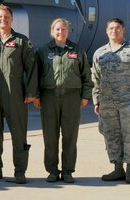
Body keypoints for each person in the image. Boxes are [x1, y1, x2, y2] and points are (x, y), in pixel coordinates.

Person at [0, 5, 38, 184]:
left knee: (18, 132)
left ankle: (20, 171)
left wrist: (31, 92)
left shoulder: (21, 41)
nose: (2, 19)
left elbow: (32, 68)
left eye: (6, 17)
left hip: (15, 92)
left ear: (12, 19)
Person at [92, 18, 130, 184]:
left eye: (118, 28)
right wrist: (96, 100)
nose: (114, 31)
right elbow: (96, 78)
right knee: (110, 135)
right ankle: (117, 168)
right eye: (111, 28)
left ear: (123, 30)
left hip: (128, 101)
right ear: (106, 31)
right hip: (106, 102)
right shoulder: (100, 53)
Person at [34, 18, 92, 184]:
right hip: (49, 97)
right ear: (52, 32)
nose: (60, 32)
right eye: (57, 30)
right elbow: (35, 76)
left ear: (68, 31)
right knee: (50, 136)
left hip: (71, 97)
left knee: (70, 136)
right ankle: (52, 171)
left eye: (63, 29)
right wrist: (36, 95)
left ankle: (67, 171)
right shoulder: (43, 51)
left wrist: (85, 96)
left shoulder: (77, 50)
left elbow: (86, 75)